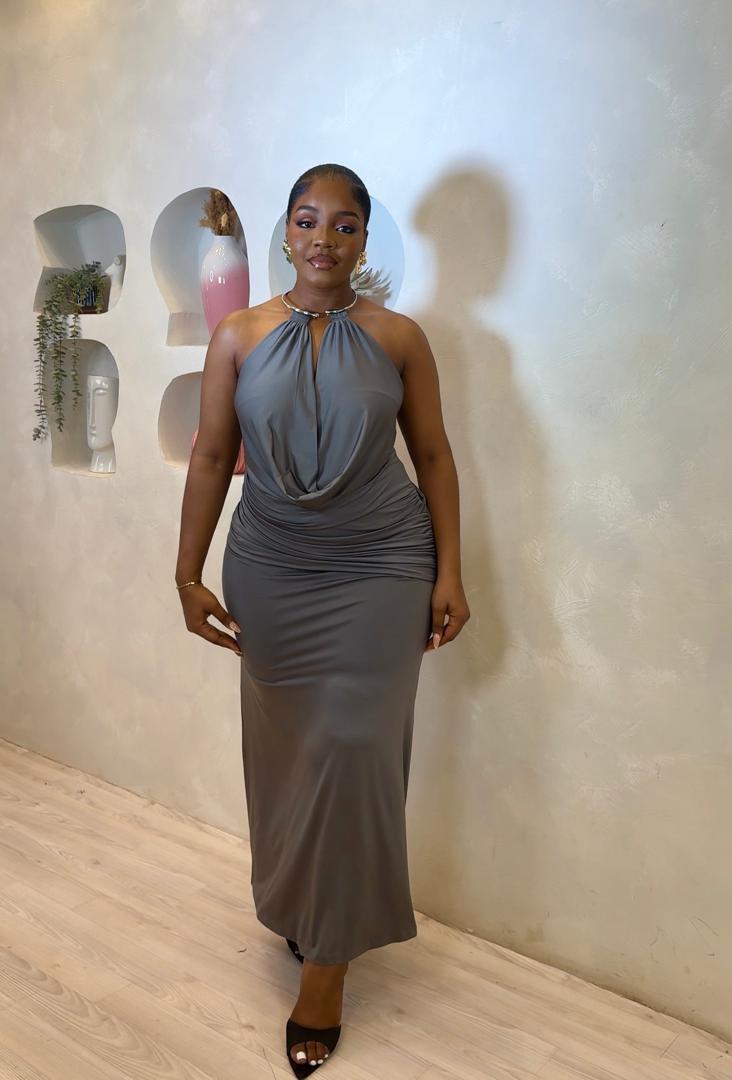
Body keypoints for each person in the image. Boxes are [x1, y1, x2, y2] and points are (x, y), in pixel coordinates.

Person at [175, 163, 469, 1077]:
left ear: (364, 239)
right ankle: (306, 909)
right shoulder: (236, 334)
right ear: (285, 232)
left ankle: (327, 973)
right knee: (287, 758)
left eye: (345, 225)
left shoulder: (400, 337)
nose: (324, 240)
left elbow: (432, 454)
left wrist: (451, 571)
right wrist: (185, 573)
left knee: (352, 749)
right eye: (307, 221)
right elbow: (211, 454)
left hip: (382, 567)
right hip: (271, 569)